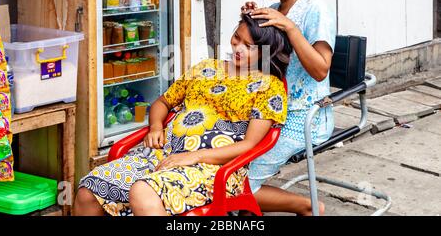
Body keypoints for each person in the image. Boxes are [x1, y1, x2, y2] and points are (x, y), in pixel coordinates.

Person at [73, 13, 293, 216]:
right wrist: (156, 127)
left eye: (249, 46)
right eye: (237, 37)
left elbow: (249, 144)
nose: (238, 48)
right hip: (161, 154)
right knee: (89, 190)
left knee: (143, 191)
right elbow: (163, 102)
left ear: (266, 51)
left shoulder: (268, 87)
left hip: (214, 169)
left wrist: (193, 156)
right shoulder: (206, 67)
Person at [242, 0, 337, 216]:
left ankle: (307, 206)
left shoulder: (315, 9)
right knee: (226, 162)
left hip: (305, 116)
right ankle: (249, 206)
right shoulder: (275, 9)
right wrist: (251, 25)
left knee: (237, 182)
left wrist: (290, 28)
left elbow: (320, 69)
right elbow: (262, 64)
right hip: (270, 110)